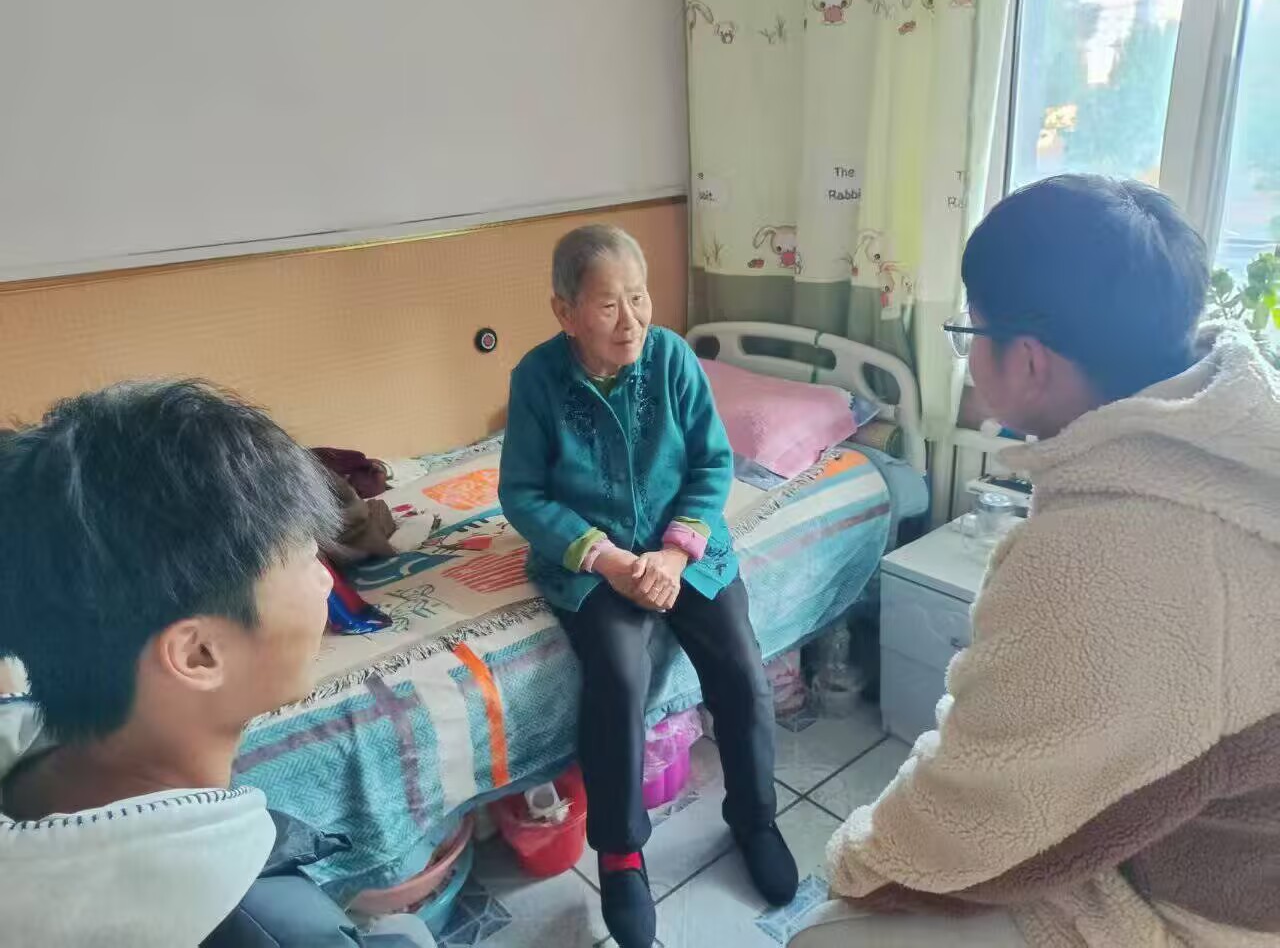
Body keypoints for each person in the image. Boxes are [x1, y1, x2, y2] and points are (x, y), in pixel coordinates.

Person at [791, 174, 1280, 948]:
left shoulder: (1105, 560)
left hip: (1212, 909)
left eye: (970, 331)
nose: (968, 356)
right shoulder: (1227, 428)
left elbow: (974, 823)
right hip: (1202, 825)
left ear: (1026, 361)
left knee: (824, 936)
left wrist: (854, 862)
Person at [0, 381, 434, 947]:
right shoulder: (272, 926)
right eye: (308, 560)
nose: (327, 582)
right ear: (198, 654)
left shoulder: (31, 773)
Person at [499, 224, 798, 948]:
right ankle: (621, 854)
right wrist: (604, 558)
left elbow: (712, 463)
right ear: (565, 311)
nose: (630, 321)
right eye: (608, 305)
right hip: (595, 557)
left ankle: (754, 818)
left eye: (639, 298)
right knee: (617, 675)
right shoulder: (538, 378)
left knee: (740, 666)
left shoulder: (672, 359)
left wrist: (673, 552)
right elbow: (523, 493)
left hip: (683, 547)